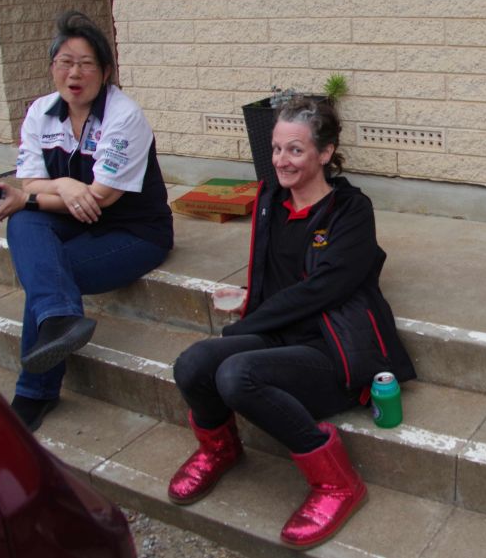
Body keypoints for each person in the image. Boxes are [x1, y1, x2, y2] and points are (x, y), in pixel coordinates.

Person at [167, 98, 415, 550]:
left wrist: (246, 327)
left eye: (296, 150)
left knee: (236, 374)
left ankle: (338, 483)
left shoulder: (351, 211)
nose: (282, 160)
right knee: (193, 363)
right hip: (276, 336)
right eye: (277, 148)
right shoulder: (271, 200)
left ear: (325, 153)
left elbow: (323, 289)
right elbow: (274, 274)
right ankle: (220, 449)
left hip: (332, 350)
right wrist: (251, 303)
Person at [0, 11, 173, 432]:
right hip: (76, 220)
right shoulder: (40, 112)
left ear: (105, 72)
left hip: (134, 231)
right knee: (24, 222)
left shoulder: (124, 116)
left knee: (48, 270)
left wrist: (39, 195)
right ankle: (59, 319)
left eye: (86, 64)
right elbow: (31, 181)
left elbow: (102, 196)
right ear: (52, 67)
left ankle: (34, 391)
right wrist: (64, 186)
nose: (74, 73)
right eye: (65, 62)